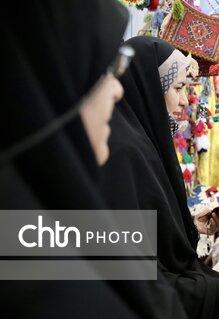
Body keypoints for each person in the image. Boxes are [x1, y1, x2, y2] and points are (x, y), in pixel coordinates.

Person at [0, 2, 187, 318]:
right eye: (104, 70)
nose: (117, 89)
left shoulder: (40, 217)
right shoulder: (26, 254)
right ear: (58, 80)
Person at [100, 36, 219, 319]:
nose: (183, 101)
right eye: (177, 87)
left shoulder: (141, 144)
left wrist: (183, 226)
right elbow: (127, 276)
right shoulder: (122, 154)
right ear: (148, 88)